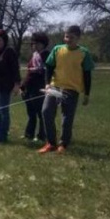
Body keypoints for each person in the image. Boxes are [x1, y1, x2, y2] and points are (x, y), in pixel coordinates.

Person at [38, 25, 95, 154]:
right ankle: (51, 143)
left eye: (71, 37)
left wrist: (87, 94)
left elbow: (87, 75)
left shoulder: (84, 53)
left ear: (78, 38)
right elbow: (49, 66)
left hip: (72, 90)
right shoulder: (57, 50)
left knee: (67, 118)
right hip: (54, 87)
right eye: (66, 36)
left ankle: (63, 144)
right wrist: (47, 84)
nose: (67, 39)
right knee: (46, 111)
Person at [20, 32, 50, 142]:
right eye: (33, 43)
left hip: (39, 88)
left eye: (37, 43)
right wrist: (23, 86)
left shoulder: (46, 55)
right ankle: (29, 134)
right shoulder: (34, 55)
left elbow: (43, 72)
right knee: (31, 113)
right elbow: (29, 73)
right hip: (30, 88)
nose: (34, 45)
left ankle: (42, 135)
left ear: (43, 44)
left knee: (40, 113)